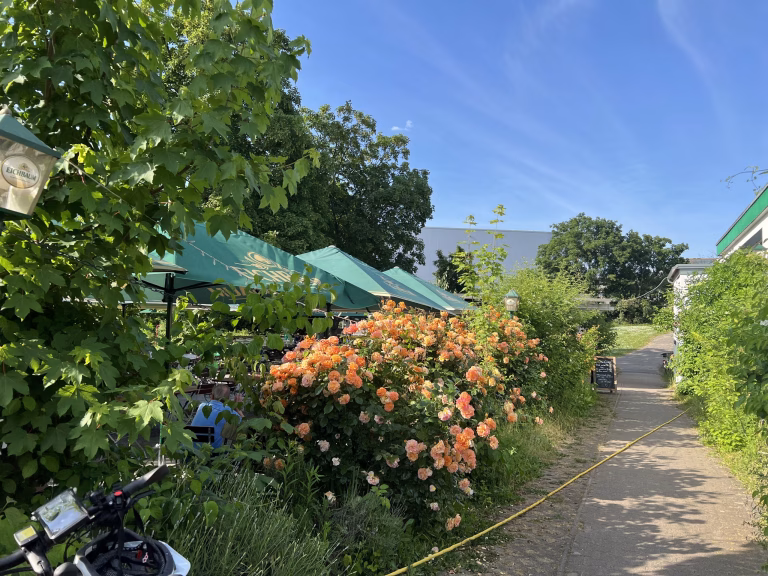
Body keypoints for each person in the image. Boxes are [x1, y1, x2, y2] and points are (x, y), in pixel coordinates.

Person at [190, 384, 244, 449]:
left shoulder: (202, 406)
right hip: (211, 453)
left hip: (190, 449)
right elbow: (245, 427)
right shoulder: (230, 413)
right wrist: (238, 410)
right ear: (228, 398)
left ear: (212, 396)